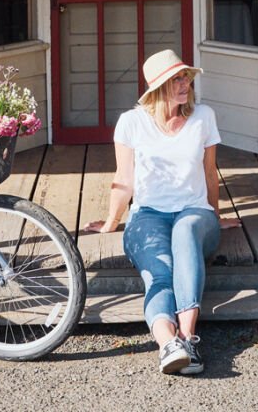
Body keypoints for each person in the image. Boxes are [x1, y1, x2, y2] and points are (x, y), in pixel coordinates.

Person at [85, 49, 233, 375]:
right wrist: (111, 222)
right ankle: (169, 344)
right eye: (176, 79)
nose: (185, 84)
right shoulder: (132, 123)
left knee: (185, 232)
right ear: (157, 87)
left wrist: (217, 216)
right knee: (160, 272)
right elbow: (123, 179)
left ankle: (188, 337)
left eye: (186, 77)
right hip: (147, 215)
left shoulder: (203, 116)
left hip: (195, 213)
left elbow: (210, 173)